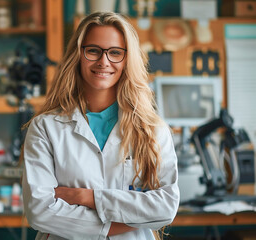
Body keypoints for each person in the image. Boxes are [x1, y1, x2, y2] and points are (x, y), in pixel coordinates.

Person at [21, 11, 180, 240]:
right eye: (93, 50)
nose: (103, 61)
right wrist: (119, 225)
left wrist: (86, 197)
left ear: (127, 60)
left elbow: (165, 207)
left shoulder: (153, 129)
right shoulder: (46, 127)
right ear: (78, 55)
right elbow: (39, 211)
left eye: (115, 52)